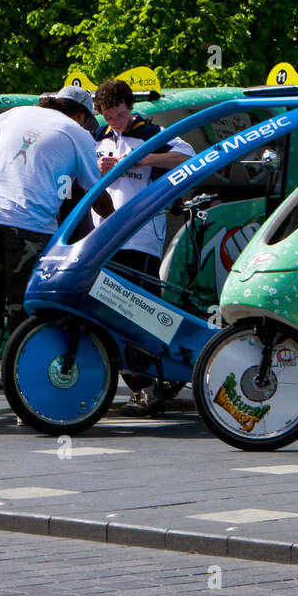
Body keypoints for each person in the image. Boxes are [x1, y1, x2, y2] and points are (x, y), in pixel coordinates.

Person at [0, 86, 113, 427]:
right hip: (30, 226)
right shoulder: (77, 134)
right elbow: (96, 196)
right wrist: (114, 216)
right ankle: (22, 404)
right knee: (25, 316)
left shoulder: (10, 115)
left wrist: (9, 184)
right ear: (81, 115)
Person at [90, 79, 195, 416]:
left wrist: (139, 160)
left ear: (129, 107)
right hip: (104, 235)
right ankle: (145, 383)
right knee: (110, 308)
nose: (116, 121)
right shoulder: (98, 139)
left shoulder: (150, 131)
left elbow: (188, 154)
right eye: (110, 116)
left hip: (141, 235)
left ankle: (160, 377)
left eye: (120, 114)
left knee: (143, 308)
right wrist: (101, 168)